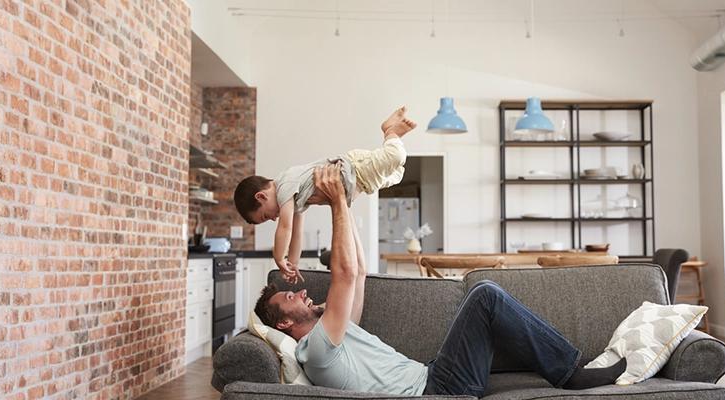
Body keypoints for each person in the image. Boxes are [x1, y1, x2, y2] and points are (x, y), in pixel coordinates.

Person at [252, 166, 625, 397]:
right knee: (484, 296)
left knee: (485, 301)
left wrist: (345, 201)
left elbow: (359, 272)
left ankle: (565, 369)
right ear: (284, 322)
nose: (302, 291)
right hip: (441, 390)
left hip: (435, 374)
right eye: (290, 296)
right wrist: (333, 203)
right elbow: (345, 275)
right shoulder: (318, 349)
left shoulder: (337, 333)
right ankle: (569, 374)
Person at [234, 107, 415, 284]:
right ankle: (392, 142)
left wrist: (279, 258)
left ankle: (389, 131)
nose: (274, 218)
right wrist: (293, 264)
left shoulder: (284, 185)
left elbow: (285, 228)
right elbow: (296, 234)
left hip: (355, 169)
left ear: (261, 197)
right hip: (360, 183)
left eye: (266, 216)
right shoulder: (294, 200)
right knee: (395, 176)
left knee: (396, 156)